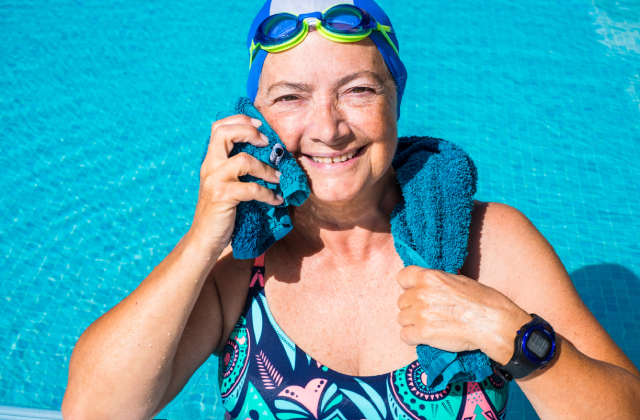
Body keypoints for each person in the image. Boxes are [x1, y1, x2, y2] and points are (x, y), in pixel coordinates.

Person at [62, 1, 640, 419]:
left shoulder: (487, 246)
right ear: (253, 115)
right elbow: (93, 411)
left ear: (396, 99)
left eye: (358, 90)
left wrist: (510, 334)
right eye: (290, 97)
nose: (329, 128)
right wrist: (199, 241)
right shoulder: (241, 266)